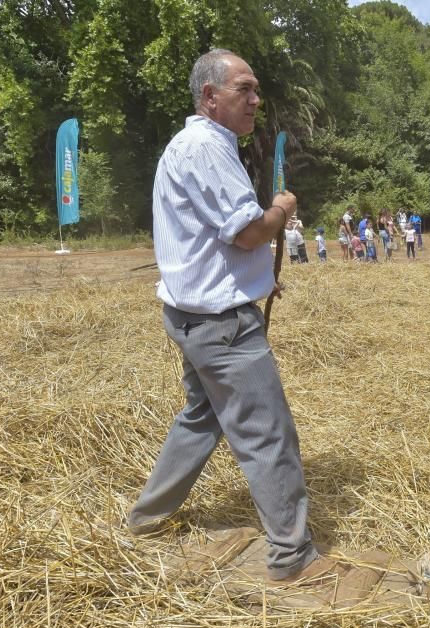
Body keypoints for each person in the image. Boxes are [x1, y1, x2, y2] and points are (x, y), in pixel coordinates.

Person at [128, 49, 325, 584]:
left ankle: (145, 518)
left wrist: (259, 279)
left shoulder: (195, 146)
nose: (256, 100)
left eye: (256, 90)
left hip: (193, 314)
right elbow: (246, 231)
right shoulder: (207, 147)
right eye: (245, 89)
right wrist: (283, 207)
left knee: (201, 418)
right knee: (267, 433)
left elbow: (216, 243)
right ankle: (292, 557)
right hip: (221, 326)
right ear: (210, 97)